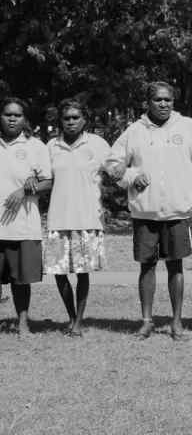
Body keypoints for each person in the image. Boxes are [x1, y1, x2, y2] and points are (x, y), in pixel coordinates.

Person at [107, 82, 192, 340]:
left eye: (168, 100)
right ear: (147, 103)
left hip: (176, 212)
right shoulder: (134, 131)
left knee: (176, 267)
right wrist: (130, 176)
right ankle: (147, 321)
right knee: (147, 266)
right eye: (158, 100)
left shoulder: (189, 127)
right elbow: (112, 164)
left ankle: (176, 322)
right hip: (145, 213)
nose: (164, 104)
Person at [44, 99, 111, 337]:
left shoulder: (98, 144)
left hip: (87, 218)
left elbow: (116, 168)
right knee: (59, 273)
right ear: (60, 121)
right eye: (66, 118)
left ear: (85, 120)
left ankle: (79, 322)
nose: (71, 121)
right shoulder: (51, 146)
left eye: (76, 117)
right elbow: (43, 176)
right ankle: (71, 317)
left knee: (83, 272)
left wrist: (134, 177)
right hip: (58, 217)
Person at [0, 97, 52, 336]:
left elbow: (48, 181)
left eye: (17, 115)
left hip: (23, 225)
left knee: (21, 280)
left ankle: (23, 323)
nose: (12, 118)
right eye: (8, 114)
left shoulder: (35, 146)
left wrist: (25, 189)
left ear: (24, 119)